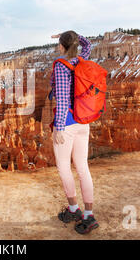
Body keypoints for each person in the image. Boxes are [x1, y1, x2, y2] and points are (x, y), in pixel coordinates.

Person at [50, 30, 99, 234]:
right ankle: (89, 215)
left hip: (67, 124)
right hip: (83, 121)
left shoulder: (62, 66)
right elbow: (88, 45)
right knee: (82, 167)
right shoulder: (82, 60)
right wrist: (73, 34)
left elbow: (61, 100)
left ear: (61, 46)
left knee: (63, 167)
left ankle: (74, 209)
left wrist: (59, 128)